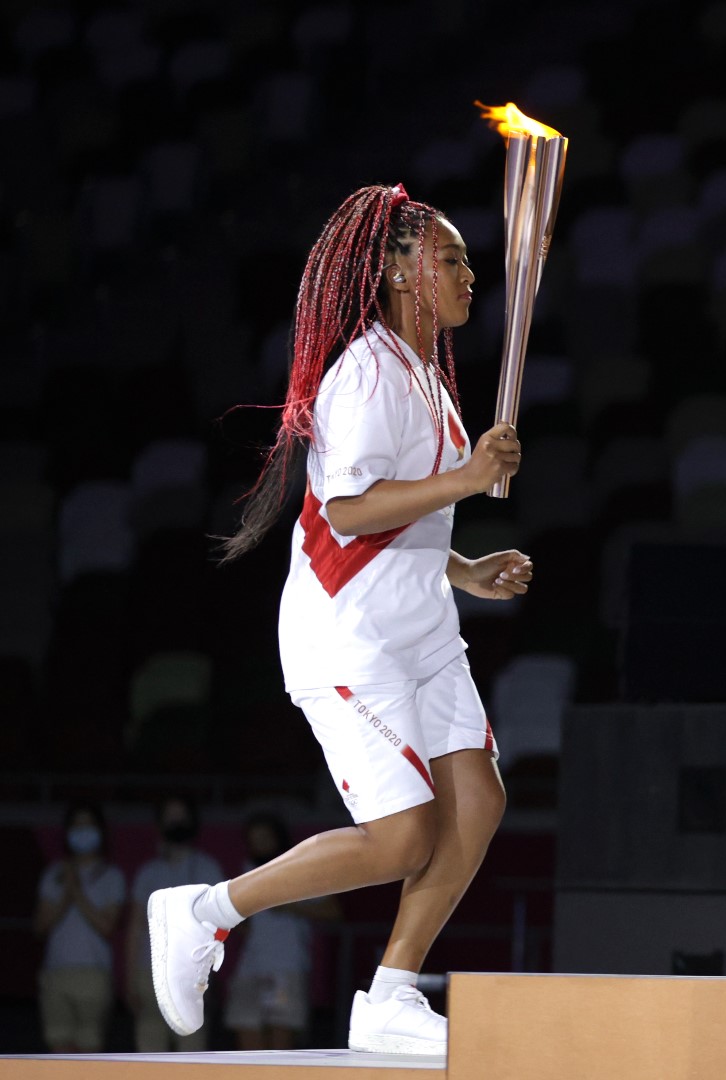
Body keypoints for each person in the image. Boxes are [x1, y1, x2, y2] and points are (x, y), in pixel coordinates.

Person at [145, 184, 532, 1056]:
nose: (469, 275)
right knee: (403, 837)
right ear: (398, 270)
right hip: (348, 638)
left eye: (470, 260)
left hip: (423, 626)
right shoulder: (361, 372)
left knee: (477, 797)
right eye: (451, 259)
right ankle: (204, 911)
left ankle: (391, 995)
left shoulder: (427, 375)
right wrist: (471, 481)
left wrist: (469, 570)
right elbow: (352, 510)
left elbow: (411, 522)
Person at [225, 812, 339, 1049]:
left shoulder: (299, 871)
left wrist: (290, 906)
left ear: (278, 838)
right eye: (255, 839)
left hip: (287, 969)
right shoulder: (245, 872)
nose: (260, 844)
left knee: (281, 1045)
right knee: (247, 1041)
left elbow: (331, 910)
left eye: (265, 837)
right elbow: (237, 922)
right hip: (251, 967)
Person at [126, 795, 224, 1051]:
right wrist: (129, 978)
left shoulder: (208, 868)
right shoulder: (148, 872)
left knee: (192, 1052)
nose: (176, 822)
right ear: (159, 824)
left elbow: (221, 927)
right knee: (149, 1052)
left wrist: (211, 976)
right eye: (170, 817)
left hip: (193, 971)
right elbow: (135, 928)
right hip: (149, 973)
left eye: (181, 817)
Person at [34, 802, 125, 1054]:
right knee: (59, 1047)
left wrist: (75, 889)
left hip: (93, 975)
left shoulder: (111, 876)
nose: (82, 831)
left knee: (89, 1050)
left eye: (88, 825)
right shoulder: (53, 874)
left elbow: (107, 927)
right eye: (77, 825)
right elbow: (40, 926)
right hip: (56, 972)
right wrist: (66, 891)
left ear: (100, 831)